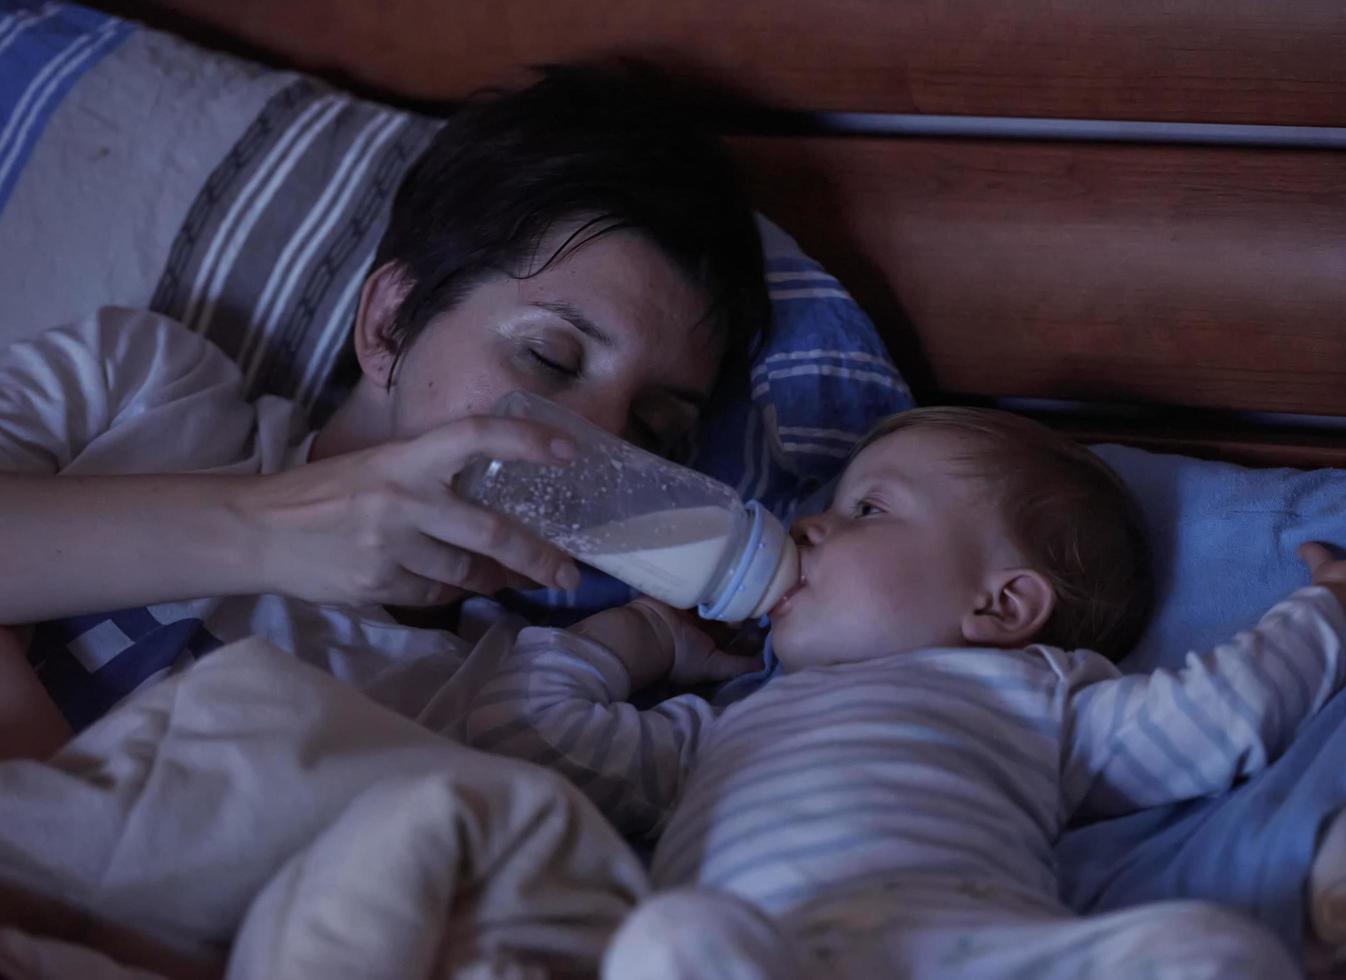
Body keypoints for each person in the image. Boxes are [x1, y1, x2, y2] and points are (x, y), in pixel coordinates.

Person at [461, 406, 1346, 979]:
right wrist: (631, 637)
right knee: (668, 941)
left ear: (1001, 604)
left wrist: (1332, 599)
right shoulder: (716, 728)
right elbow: (524, 733)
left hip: (978, 951)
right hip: (771, 956)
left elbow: (1219, 713)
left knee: (1209, 947)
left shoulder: (1032, 691)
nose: (807, 525)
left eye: (865, 507)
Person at [0, 64, 769, 755]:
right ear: (389, 324)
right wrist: (267, 533)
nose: (597, 446)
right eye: (550, 357)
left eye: (652, 429)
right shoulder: (138, 385)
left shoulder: (500, 711)